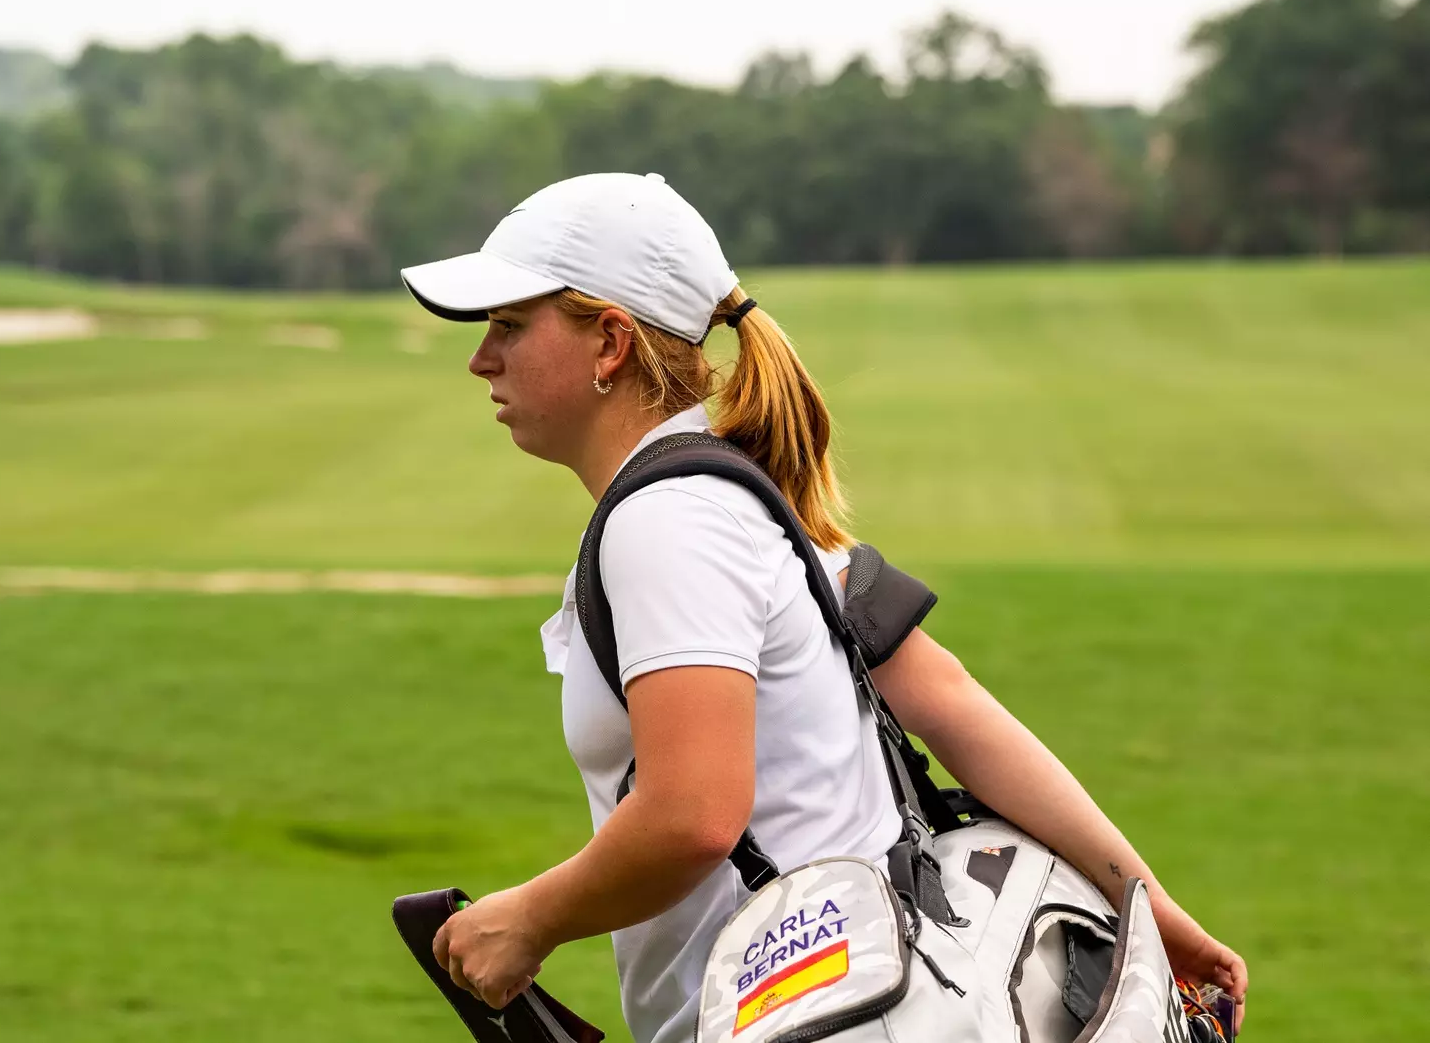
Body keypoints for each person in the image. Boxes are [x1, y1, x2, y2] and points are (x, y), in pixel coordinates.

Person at [404, 172, 1248, 1043]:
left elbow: (693, 815)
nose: (481, 358)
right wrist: (1148, 908)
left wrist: (527, 920)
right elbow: (951, 702)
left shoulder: (667, 519)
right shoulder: (729, 496)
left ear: (610, 343)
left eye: (509, 325)